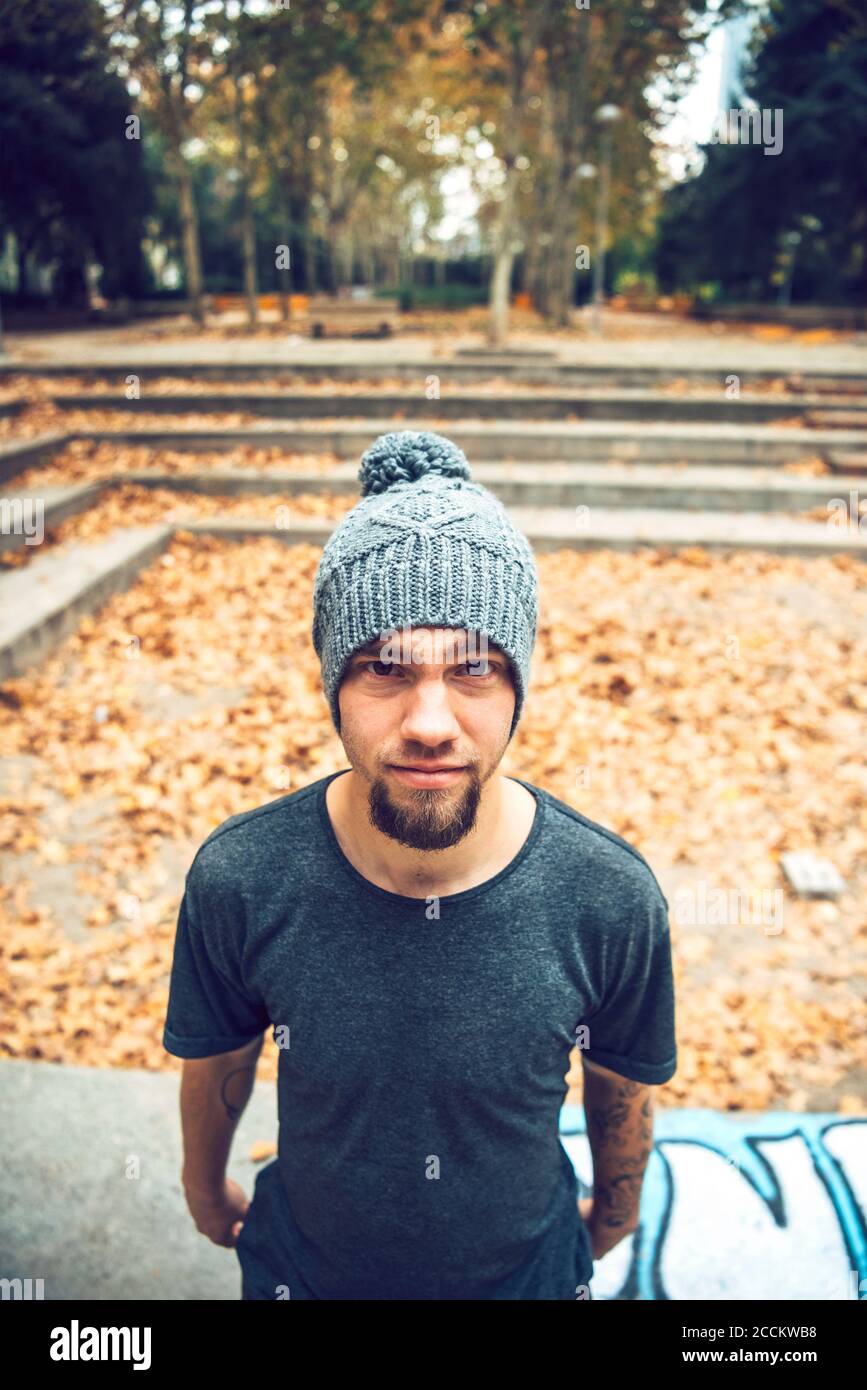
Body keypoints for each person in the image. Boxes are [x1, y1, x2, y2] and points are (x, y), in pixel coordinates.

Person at [163, 429, 677, 1301]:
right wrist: (201, 1186)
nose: (431, 721)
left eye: (474, 667)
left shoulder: (608, 898)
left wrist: (609, 1220)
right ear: (333, 683)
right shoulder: (241, 880)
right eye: (384, 669)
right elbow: (221, 1057)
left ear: (519, 685)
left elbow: (619, 1089)